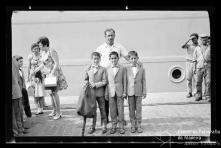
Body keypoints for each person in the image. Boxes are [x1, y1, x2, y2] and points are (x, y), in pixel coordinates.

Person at [96, 28, 136, 124]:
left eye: (112, 35)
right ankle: (105, 120)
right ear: (105, 36)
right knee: (104, 99)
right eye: (108, 35)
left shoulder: (119, 47)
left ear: (114, 36)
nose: (110, 37)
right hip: (104, 76)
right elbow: (96, 60)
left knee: (117, 97)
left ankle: (120, 118)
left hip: (116, 75)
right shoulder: (100, 48)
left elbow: (128, 57)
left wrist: (137, 63)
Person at [31, 36, 68, 120]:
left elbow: (56, 63)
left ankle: (59, 112)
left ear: (45, 44)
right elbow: (43, 64)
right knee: (51, 94)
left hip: (53, 75)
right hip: (48, 75)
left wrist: (52, 73)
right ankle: (54, 110)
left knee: (54, 93)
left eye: (40, 45)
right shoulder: (44, 53)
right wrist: (35, 70)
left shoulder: (52, 51)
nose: (39, 46)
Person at [84, 52, 108, 134]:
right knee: (92, 110)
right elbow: (86, 79)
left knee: (102, 110)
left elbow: (105, 81)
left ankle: (104, 126)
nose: (96, 60)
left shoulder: (103, 69)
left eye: (97, 59)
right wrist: (86, 83)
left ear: (100, 59)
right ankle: (92, 126)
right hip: (91, 93)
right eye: (94, 59)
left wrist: (96, 85)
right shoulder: (88, 68)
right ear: (91, 59)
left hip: (100, 93)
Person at [105, 51, 127, 134]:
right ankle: (113, 126)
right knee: (112, 110)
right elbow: (106, 82)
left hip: (120, 92)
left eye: (115, 58)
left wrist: (124, 91)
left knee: (121, 110)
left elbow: (124, 81)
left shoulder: (122, 68)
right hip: (111, 92)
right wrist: (106, 93)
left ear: (118, 58)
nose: (114, 60)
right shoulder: (107, 69)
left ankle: (121, 126)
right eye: (112, 58)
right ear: (110, 59)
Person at [126, 51, 146, 133]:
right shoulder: (126, 69)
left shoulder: (141, 69)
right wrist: (125, 92)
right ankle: (133, 125)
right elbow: (125, 81)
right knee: (131, 109)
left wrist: (144, 91)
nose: (133, 60)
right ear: (129, 59)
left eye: (135, 58)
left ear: (137, 59)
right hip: (130, 91)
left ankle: (139, 124)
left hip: (139, 91)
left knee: (138, 109)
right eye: (131, 58)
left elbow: (144, 80)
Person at [13, 55, 32, 129]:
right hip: (18, 93)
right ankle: (20, 127)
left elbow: (23, 81)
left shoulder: (21, 70)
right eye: (20, 61)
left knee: (23, 108)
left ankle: (22, 126)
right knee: (19, 110)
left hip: (23, 92)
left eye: (22, 61)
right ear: (16, 62)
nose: (22, 63)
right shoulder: (15, 71)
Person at [27, 43, 44, 115]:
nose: (35, 50)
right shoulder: (30, 56)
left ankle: (41, 109)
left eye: (37, 48)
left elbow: (43, 65)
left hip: (40, 76)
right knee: (34, 94)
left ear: (39, 49)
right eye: (34, 49)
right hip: (33, 76)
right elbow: (29, 66)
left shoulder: (41, 55)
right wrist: (28, 76)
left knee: (40, 93)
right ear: (32, 50)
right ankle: (38, 108)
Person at [193, 34, 210, 101]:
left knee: (208, 82)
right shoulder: (197, 48)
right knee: (198, 82)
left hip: (208, 67)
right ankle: (198, 95)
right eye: (203, 39)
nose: (204, 40)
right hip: (199, 67)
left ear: (207, 40)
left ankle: (208, 95)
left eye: (205, 39)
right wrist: (194, 68)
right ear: (200, 40)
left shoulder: (209, 47)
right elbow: (194, 59)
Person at [182, 33, 199, 98]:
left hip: (196, 63)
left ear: (197, 38)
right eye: (192, 38)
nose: (193, 40)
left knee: (196, 79)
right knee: (188, 78)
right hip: (189, 62)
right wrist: (189, 39)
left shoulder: (199, 46)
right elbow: (182, 46)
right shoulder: (188, 45)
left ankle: (195, 92)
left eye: (194, 38)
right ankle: (189, 92)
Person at [12, 57, 24, 136]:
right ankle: (20, 131)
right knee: (18, 114)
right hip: (17, 91)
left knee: (14, 115)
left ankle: (16, 132)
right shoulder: (14, 61)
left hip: (13, 92)